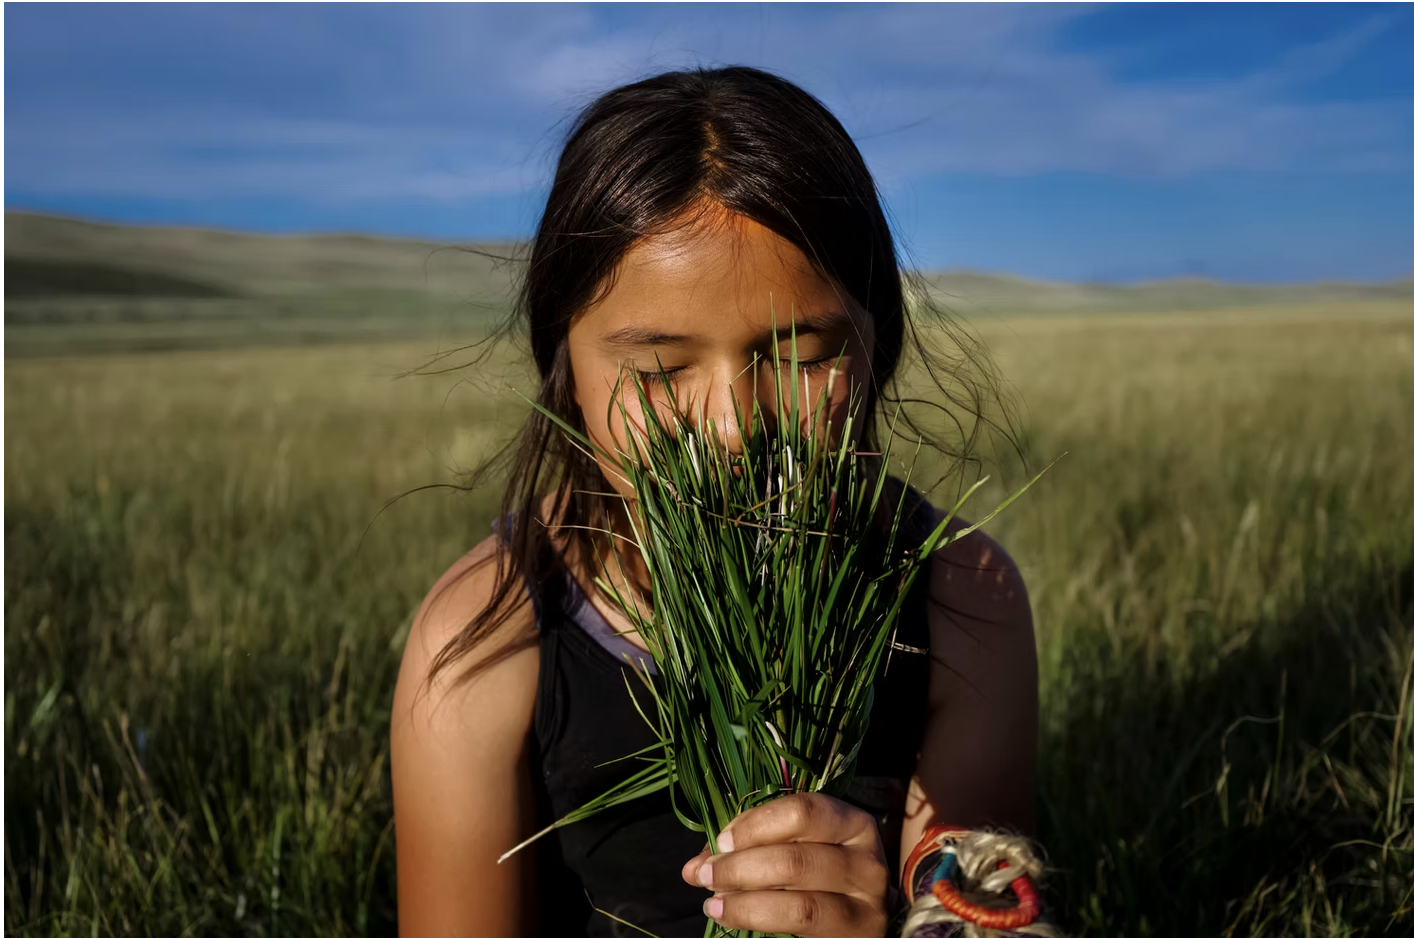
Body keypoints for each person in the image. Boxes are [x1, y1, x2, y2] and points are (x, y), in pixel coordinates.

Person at [390, 66, 1039, 938]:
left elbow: (978, 907)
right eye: (659, 370)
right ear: (566, 372)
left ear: (876, 341)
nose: (736, 428)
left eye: (804, 355)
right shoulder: (486, 636)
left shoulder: (964, 600)